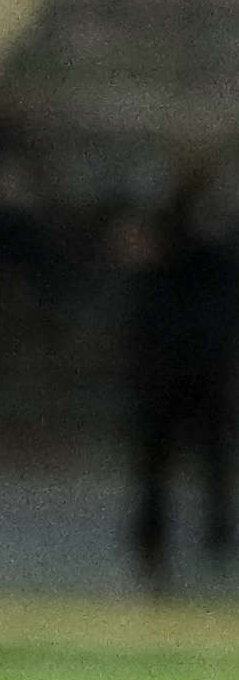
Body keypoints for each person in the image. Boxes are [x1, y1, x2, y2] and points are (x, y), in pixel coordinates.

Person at [119, 155, 236, 599]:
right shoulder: (186, 235)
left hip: (181, 363)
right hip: (181, 363)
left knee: (185, 457)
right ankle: (180, 540)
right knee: (181, 458)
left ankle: (190, 538)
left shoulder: (190, 237)